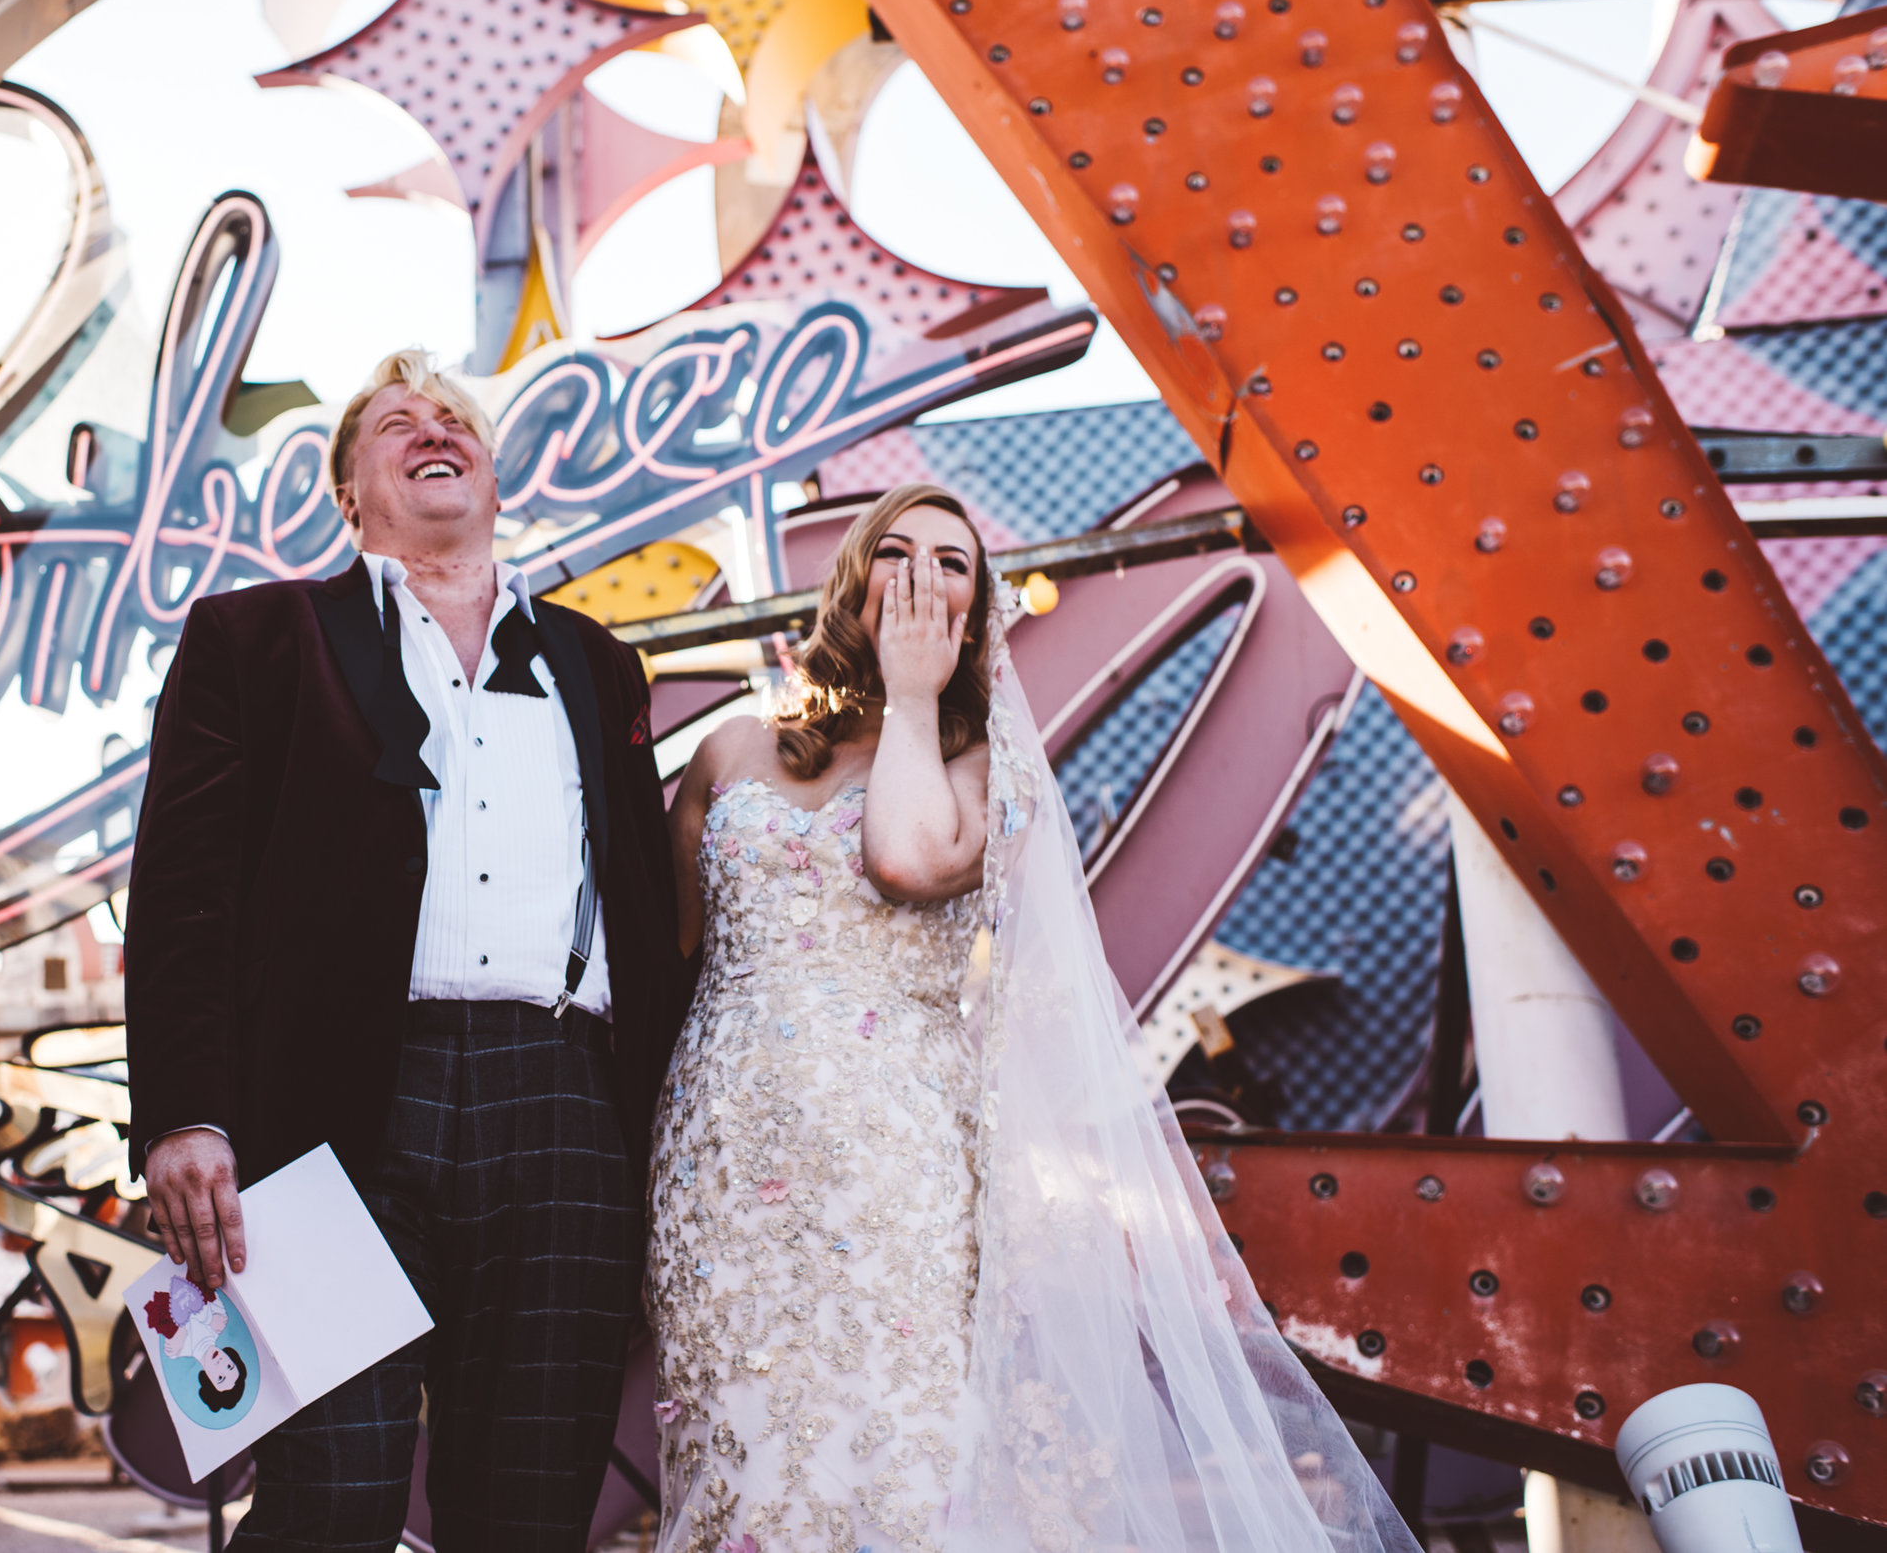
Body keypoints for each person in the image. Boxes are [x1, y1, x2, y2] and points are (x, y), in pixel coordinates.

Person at [649, 486, 1417, 1553]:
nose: (923, 576)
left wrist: (913, 697)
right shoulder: (730, 752)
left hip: (890, 1162)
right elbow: (661, 963)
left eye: (953, 563)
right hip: (720, 1163)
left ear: (977, 610)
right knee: (741, 1451)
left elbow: (905, 859)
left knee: (890, 1449)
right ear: (853, 580)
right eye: (897, 552)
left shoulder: (986, 770)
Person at [126, 348, 689, 1551]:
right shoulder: (257, 637)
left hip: (562, 1111)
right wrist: (184, 1112)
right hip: (337, 1113)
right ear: (349, 492)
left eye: (454, 418)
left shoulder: (597, 663)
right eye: (396, 421)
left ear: (489, 472)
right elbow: (182, 893)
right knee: (333, 1494)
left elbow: (645, 907)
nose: (433, 427)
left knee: (532, 1505)